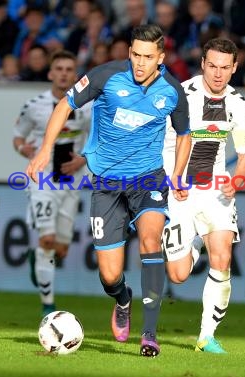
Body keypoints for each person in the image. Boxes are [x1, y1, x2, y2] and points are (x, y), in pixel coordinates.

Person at [26, 24, 192, 357]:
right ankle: (123, 299)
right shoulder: (106, 76)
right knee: (109, 275)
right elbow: (64, 105)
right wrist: (45, 149)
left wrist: (176, 174)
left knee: (150, 240)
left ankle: (149, 334)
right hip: (106, 184)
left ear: (160, 58)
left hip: (148, 179)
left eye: (147, 57)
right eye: (134, 54)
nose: (139, 63)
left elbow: (185, 133)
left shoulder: (172, 91)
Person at [162, 37, 245, 354]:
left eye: (224, 68)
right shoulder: (180, 96)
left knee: (223, 256)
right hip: (179, 189)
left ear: (234, 68)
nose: (217, 74)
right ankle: (196, 241)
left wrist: (237, 179)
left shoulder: (238, 104)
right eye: (212, 66)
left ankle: (206, 337)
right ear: (202, 64)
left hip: (215, 187)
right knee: (178, 274)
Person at [13, 50, 92, 317]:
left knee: (61, 249)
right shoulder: (34, 105)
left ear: (75, 75)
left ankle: (37, 259)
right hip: (43, 179)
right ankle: (48, 304)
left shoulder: (87, 107)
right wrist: (26, 150)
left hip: (70, 182)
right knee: (47, 239)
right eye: (58, 68)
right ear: (50, 73)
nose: (63, 73)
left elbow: (97, 141)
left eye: (69, 69)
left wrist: (82, 160)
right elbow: (17, 137)